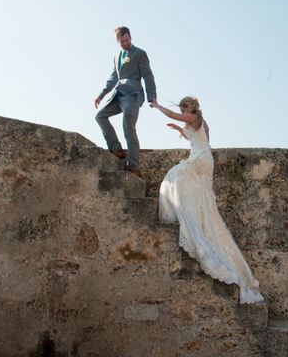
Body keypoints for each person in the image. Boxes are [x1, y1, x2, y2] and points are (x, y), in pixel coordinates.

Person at [150, 96, 264, 304]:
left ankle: (186, 220)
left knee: (174, 176)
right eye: (183, 107)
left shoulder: (192, 116)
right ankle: (193, 219)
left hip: (200, 160)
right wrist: (178, 129)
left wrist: (157, 107)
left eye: (185, 106)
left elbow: (174, 114)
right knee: (197, 197)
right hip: (205, 159)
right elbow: (197, 139)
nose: (183, 109)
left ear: (191, 107)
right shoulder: (200, 122)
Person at [95, 26, 156, 177]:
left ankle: (134, 166)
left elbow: (148, 75)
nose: (125, 43)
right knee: (100, 116)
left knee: (128, 127)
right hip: (118, 95)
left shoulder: (139, 54)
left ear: (131, 37)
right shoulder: (117, 57)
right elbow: (113, 78)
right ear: (118, 41)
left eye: (127, 40)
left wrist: (152, 96)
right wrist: (101, 95)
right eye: (122, 41)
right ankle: (116, 148)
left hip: (134, 96)